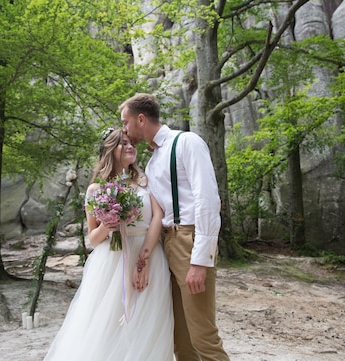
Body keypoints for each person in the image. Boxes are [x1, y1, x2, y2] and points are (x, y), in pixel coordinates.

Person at [43, 128, 174, 361]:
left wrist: (143, 261)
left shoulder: (146, 181)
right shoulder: (96, 189)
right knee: (109, 325)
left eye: (132, 142)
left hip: (149, 255)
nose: (131, 147)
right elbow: (93, 238)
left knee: (148, 322)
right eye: (124, 143)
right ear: (110, 150)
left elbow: (157, 218)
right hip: (112, 261)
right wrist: (109, 224)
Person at [120, 93, 230, 361]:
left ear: (141, 119)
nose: (124, 129)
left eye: (126, 122)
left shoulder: (187, 143)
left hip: (188, 241)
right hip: (166, 245)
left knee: (203, 336)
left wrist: (200, 260)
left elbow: (207, 200)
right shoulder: (154, 159)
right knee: (181, 341)